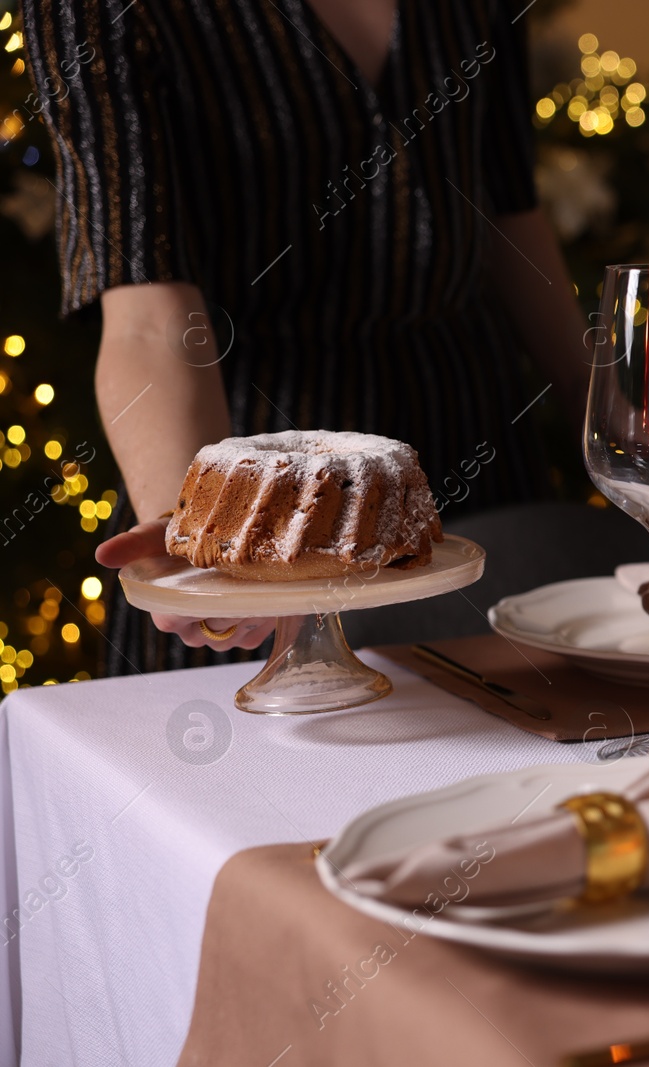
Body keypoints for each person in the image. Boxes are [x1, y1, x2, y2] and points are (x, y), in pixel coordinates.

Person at [22, 0, 590, 673]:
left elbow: (507, 210)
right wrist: (200, 539)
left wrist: (609, 424)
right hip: (258, 494)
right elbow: (149, 315)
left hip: (476, 461)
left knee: (519, 752)